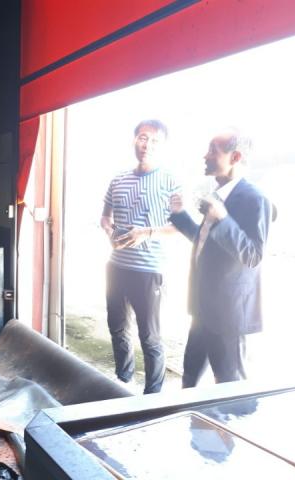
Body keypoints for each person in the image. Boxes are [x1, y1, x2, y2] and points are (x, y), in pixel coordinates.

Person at [169, 128, 272, 388]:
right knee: (189, 377)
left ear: (235, 157)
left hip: (227, 315)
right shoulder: (219, 194)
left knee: (229, 386)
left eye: (213, 151)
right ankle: (188, 414)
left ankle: (229, 419)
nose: (205, 156)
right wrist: (180, 215)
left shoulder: (254, 198)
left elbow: (253, 255)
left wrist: (223, 218)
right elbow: (207, 243)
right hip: (202, 308)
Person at [100, 119, 180, 394]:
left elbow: (182, 226)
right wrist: (109, 231)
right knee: (117, 329)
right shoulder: (118, 179)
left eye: (155, 141)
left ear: (163, 146)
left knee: (150, 336)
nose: (147, 145)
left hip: (149, 270)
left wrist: (147, 233)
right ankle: (123, 383)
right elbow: (105, 217)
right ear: (134, 140)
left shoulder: (170, 181)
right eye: (143, 138)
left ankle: (153, 396)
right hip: (117, 267)